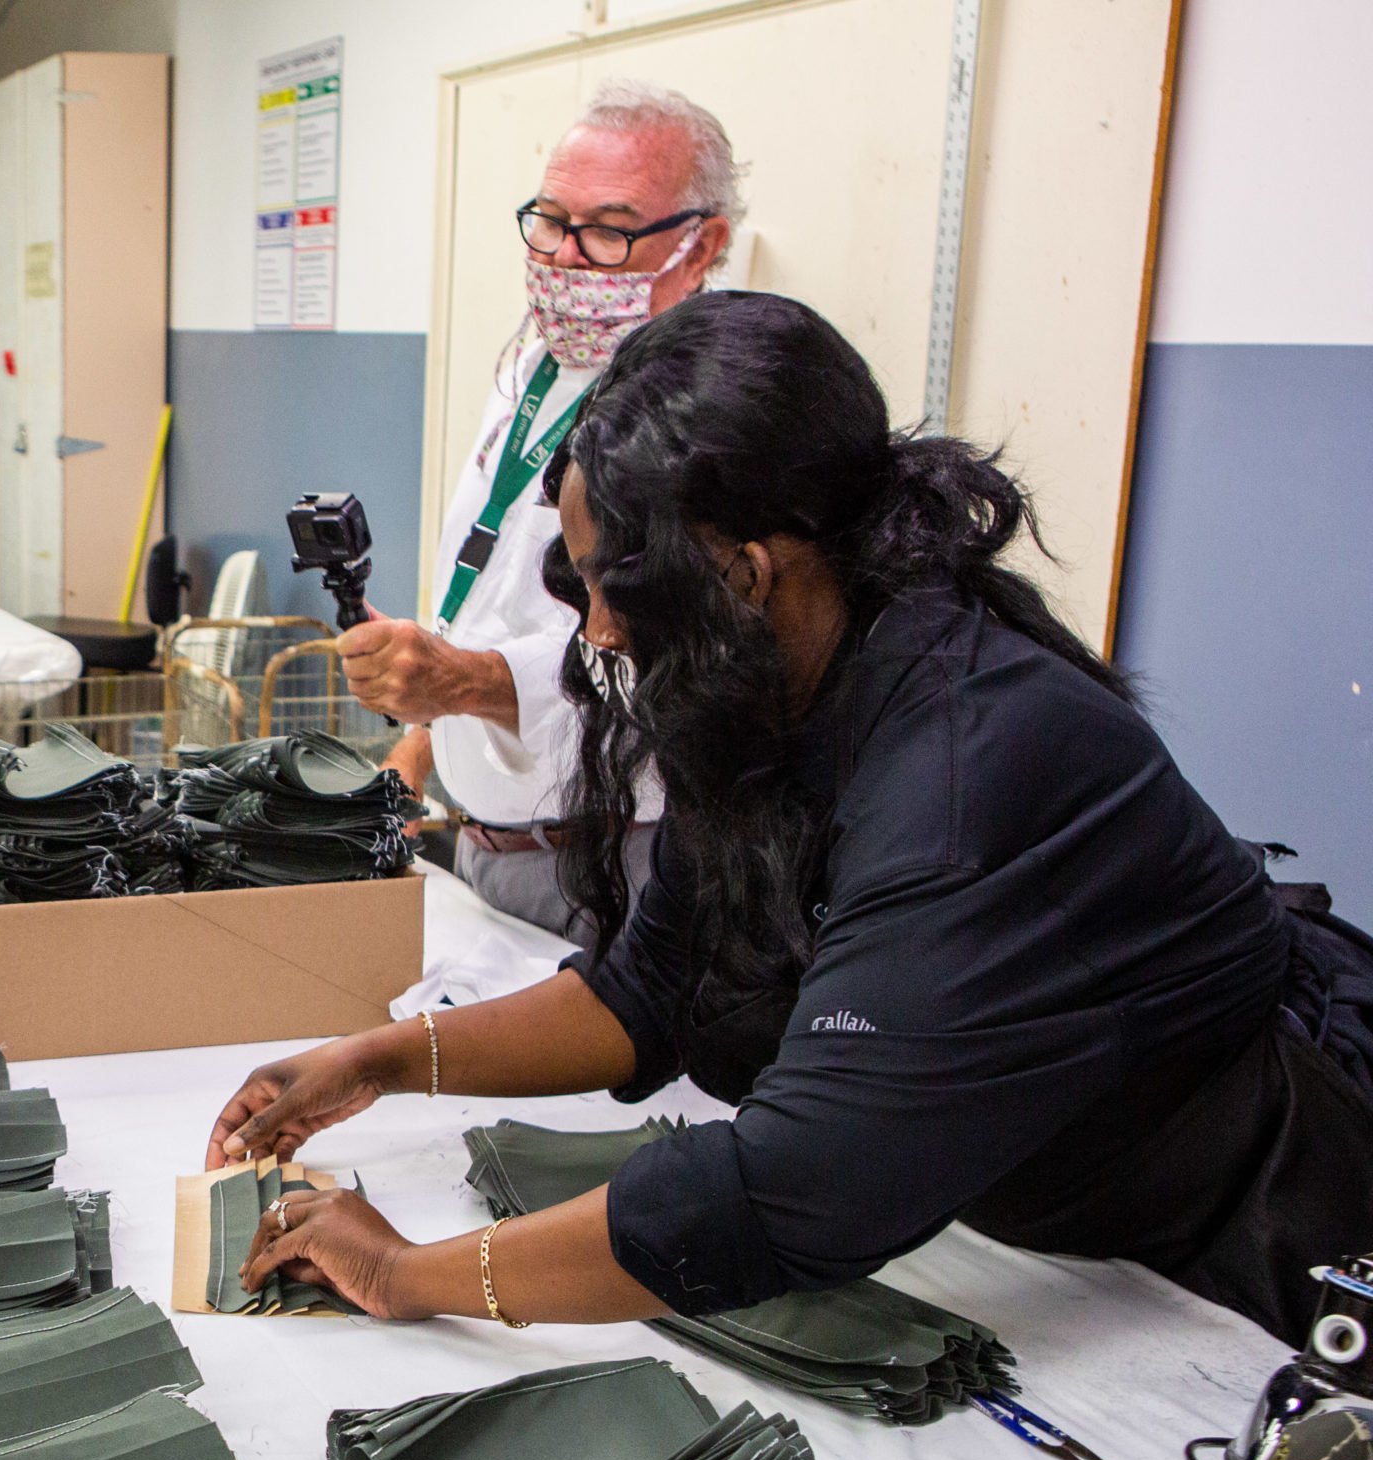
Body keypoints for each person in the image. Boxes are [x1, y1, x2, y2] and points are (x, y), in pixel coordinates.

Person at [211, 291, 1373, 1351]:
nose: (601, 632)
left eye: (619, 584)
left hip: (1258, 1224)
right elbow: (643, 991)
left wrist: (412, 1276)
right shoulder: (783, 688)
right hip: (1053, 1198)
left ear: (747, 569)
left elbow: (792, 1190)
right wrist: (377, 1062)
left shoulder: (971, 773)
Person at [340, 82, 737, 946]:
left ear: (700, 245)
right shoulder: (536, 364)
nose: (564, 257)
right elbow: (490, 585)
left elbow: (663, 656)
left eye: (607, 229)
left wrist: (460, 681)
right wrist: (421, 745)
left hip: (615, 862)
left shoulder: (711, 413)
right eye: (551, 220)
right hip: (485, 843)